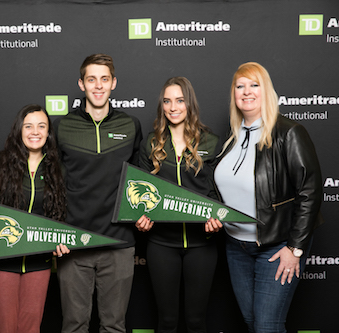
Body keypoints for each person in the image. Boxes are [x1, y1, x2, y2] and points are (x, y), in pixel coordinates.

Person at [206, 62, 323, 333]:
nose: (247, 92)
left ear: (266, 91)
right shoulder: (232, 140)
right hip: (237, 248)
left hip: (276, 247)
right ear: (233, 93)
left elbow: (310, 192)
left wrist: (295, 248)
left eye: (254, 85)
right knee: (252, 323)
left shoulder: (288, 133)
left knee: (267, 327)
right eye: (240, 86)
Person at [54, 53, 143, 333]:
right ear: (81, 84)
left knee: (114, 326)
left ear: (113, 83)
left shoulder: (131, 125)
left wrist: (145, 214)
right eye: (91, 79)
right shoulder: (62, 126)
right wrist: (54, 232)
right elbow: (54, 184)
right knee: (74, 326)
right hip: (74, 244)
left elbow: (141, 182)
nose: (98, 86)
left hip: (119, 242)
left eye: (104, 79)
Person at [0, 104, 70, 333]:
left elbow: (60, 214)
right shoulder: (0, 163)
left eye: (41, 126)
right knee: (5, 328)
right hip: (2, 260)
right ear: (19, 130)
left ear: (48, 133)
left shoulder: (57, 169)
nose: (35, 131)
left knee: (30, 328)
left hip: (39, 262)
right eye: (29, 126)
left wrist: (62, 238)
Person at [136, 77, 219, 333]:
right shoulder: (150, 143)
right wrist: (140, 217)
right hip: (162, 244)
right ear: (162, 105)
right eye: (167, 101)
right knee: (167, 321)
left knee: (196, 321)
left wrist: (218, 218)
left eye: (180, 100)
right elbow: (138, 194)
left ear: (189, 104)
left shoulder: (210, 142)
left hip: (202, 245)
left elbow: (218, 193)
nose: (173, 107)